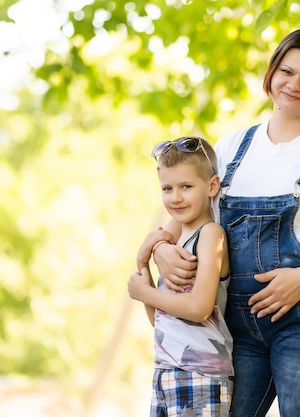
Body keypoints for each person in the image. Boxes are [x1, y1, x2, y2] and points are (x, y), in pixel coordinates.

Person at [136, 29, 300, 417]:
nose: (295, 85)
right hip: (238, 324)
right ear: (271, 73)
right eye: (287, 72)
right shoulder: (231, 148)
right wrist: (163, 248)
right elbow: (188, 215)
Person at [128, 136, 233, 417]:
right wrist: (145, 269)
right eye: (167, 188)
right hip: (166, 368)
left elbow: (199, 309)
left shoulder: (210, 235)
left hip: (201, 373)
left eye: (186, 187)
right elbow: (162, 321)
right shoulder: (175, 240)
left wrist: (145, 293)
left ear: (212, 186)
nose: (175, 197)